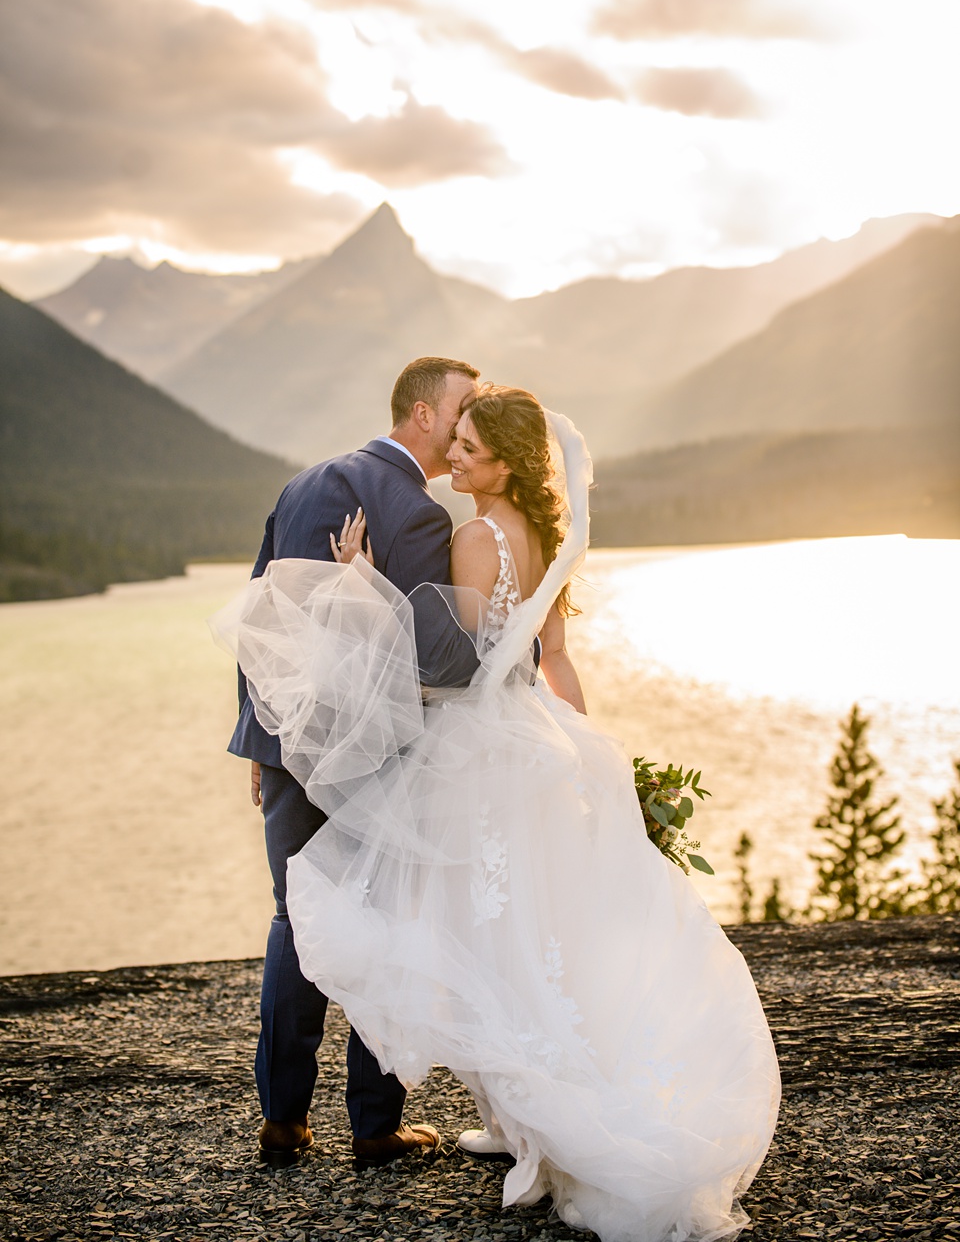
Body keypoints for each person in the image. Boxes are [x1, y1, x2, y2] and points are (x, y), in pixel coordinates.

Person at [214, 385, 781, 1239]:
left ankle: (465, 1118)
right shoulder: (543, 538)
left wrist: (361, 587)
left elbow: (449, 663)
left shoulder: (468, 533)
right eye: (458, 432)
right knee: (528, 930)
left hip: (474, 745)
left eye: (473, 444)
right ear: (424, 413)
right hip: (534, 739)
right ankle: (470, 1120)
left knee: (435, 922)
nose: (458, 454)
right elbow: (553, 657)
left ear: (506, 461)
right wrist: (591, 758)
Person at [224, 356, 481, 1167]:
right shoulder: (418, 512)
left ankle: (282, 1117)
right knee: (381, 922)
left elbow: (258, 611)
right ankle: (374, 1127)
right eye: (464, 407)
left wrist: (257, 735)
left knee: (293, 918)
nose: (472, 422)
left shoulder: (302, 486)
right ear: (422, 415)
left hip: (288, 744)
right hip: (369, 755)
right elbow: (437, 656)